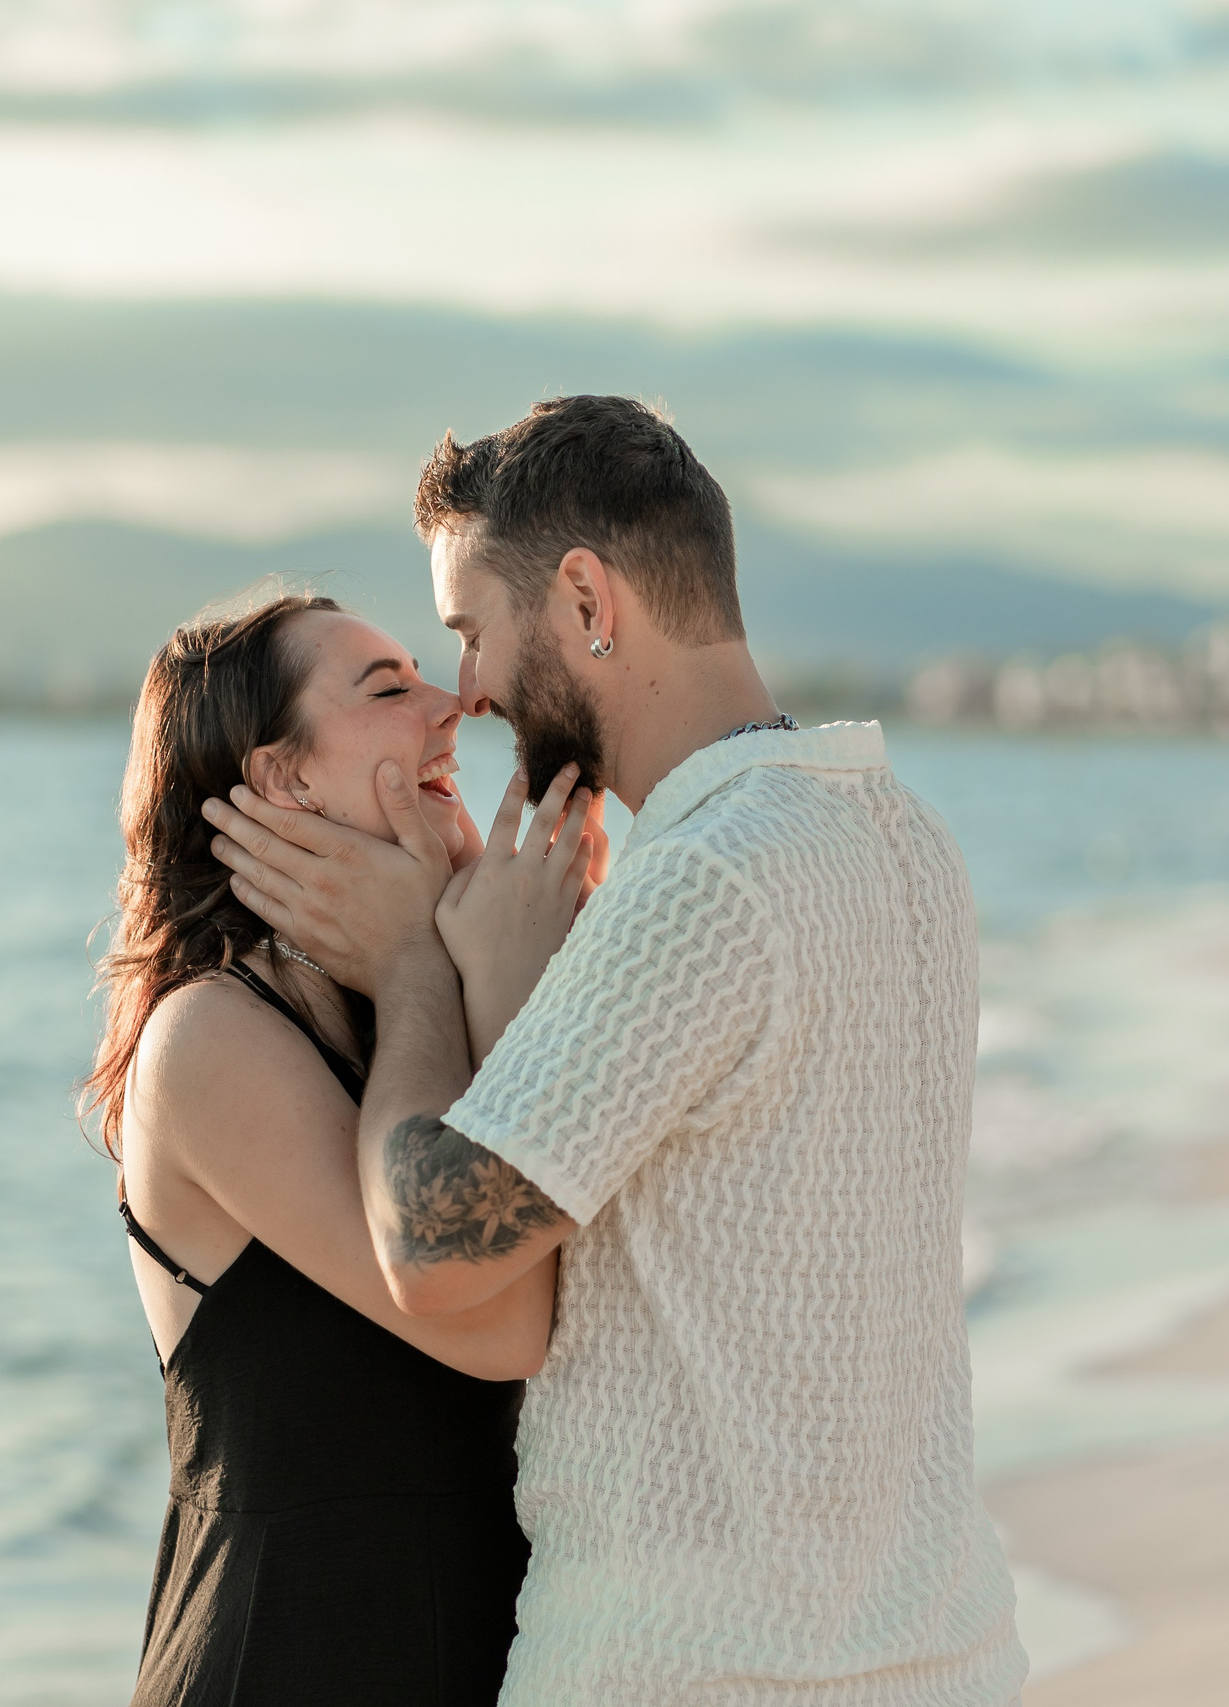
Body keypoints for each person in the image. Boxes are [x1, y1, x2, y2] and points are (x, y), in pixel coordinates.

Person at [203, 397, 1029, 1704]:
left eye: (470, 631)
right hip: (945, 1654)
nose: (464, 690)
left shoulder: (704, 879)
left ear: (586, 595)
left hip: (694, 1666)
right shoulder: (906, 837)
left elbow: (433, 1240)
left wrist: (416, 974)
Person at [84, 592, 593, 1707]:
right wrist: (420, 962)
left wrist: (494, 963)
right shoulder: (208, 1038)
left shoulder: (424, 1007)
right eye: (387, 689)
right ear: (281, 781)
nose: (454, 705)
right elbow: (505, 1323)